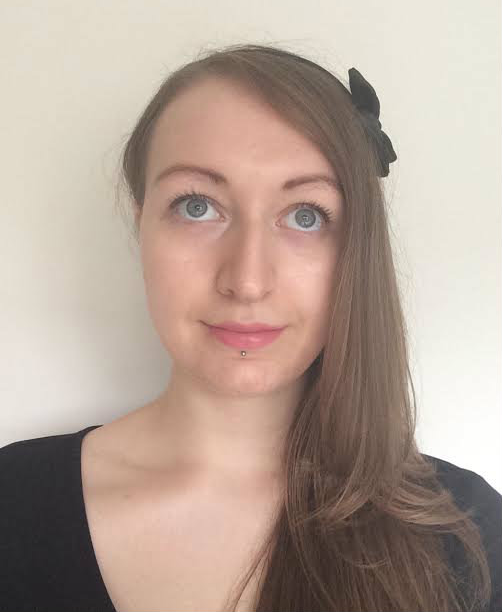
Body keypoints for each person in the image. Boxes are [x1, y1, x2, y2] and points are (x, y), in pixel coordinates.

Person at [1, 43, 500, 612]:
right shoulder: (13, 505)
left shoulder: (469, 537)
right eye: (196, 206)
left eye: (306, 216)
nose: (247, 280)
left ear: (357, 250)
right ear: (142, 227)